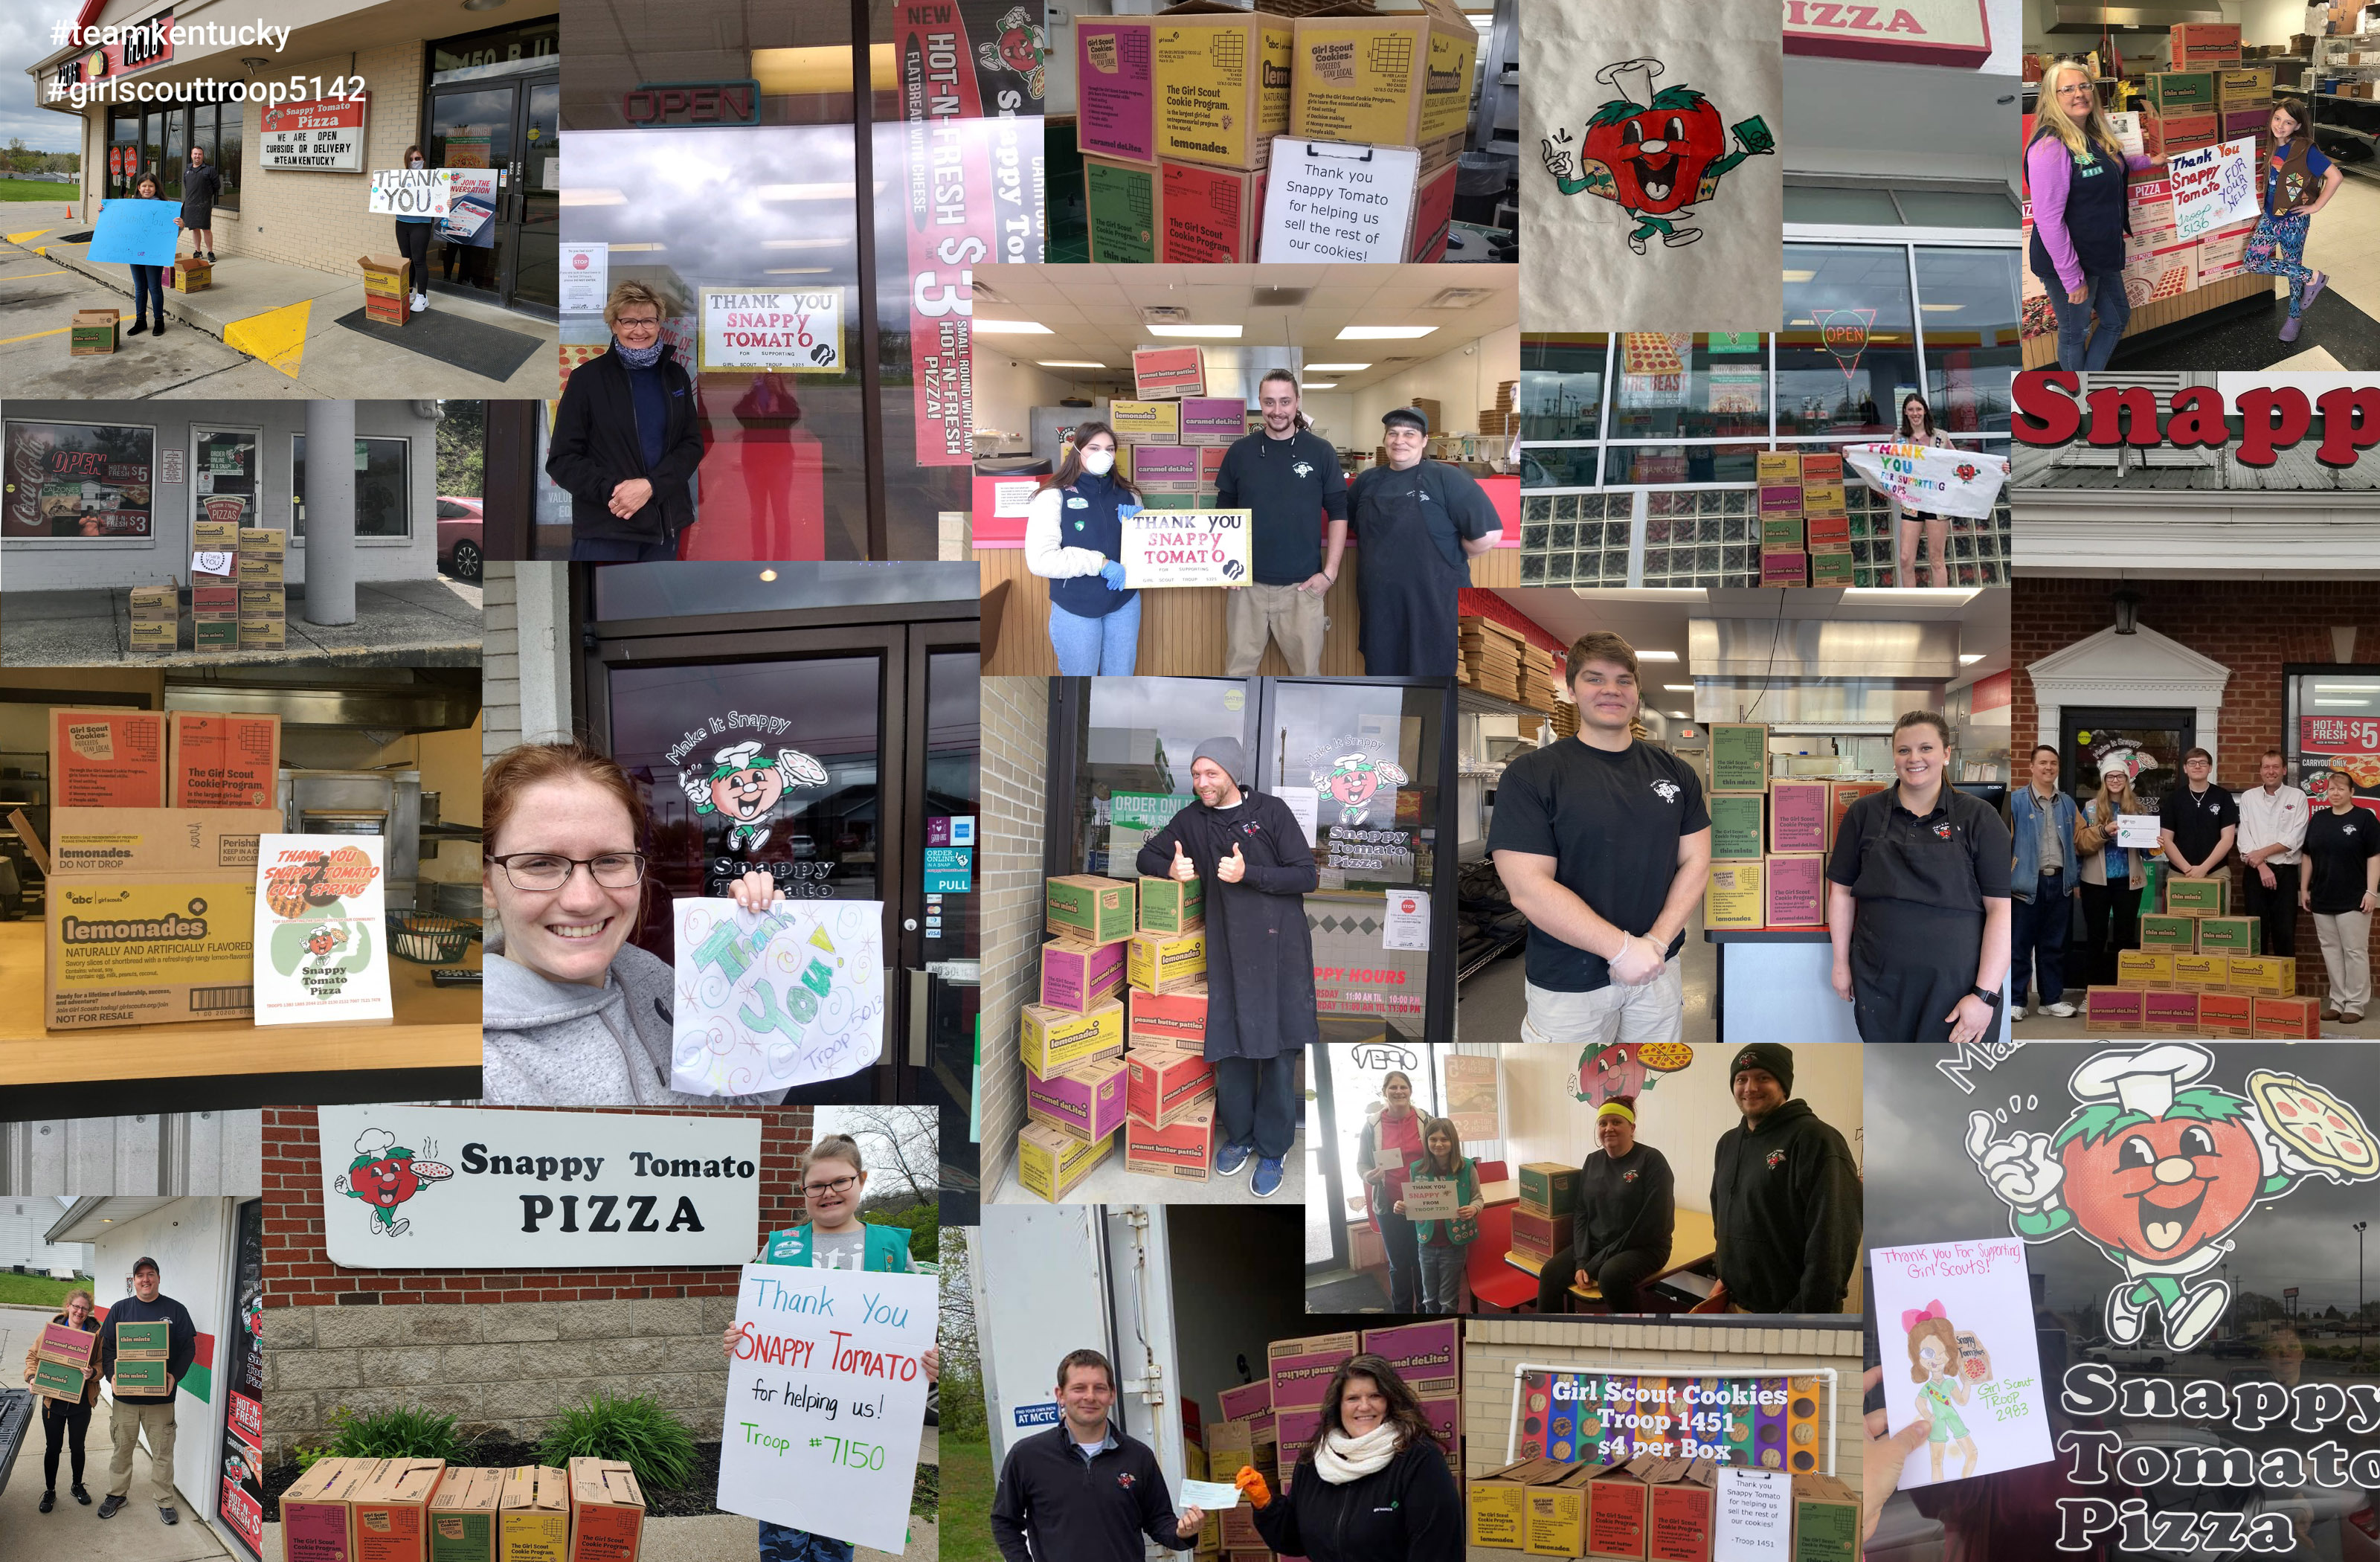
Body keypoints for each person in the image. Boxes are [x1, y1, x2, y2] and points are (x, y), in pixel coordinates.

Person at [481, 741, 791, 1105]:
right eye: (540, 864)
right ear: (488, 883)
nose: (584, 900)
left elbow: (746, 1105)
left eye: (611, 860)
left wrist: (752, 976)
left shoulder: (654, 979)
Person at [720, 1134, 940, 1562]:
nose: (829, 1193)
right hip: (787, 1426)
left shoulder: (891, 1249)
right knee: (782, 1535)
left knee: (836, 1540)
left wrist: (928, 1360)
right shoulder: (782, 1247)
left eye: (840, 1181)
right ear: (803, 1191)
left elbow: (916, 1331)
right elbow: (756, 1325)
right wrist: (737, 1338)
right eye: (816, 1186)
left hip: (854, 1433)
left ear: (861, 1180)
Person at [1488, 631, 1711, 1046]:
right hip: (1569, 981)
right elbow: (1528, 888)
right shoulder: (1532, 775)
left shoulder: (1675, 772)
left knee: (1648, 1084)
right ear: (1571, 690)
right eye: (1595, 678)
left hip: (1658, 969)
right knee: (1570, 1089)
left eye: (1624, 680)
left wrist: (1655, 945)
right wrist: (1623, 951)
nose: (1611, 690)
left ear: (1637, 694)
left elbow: (1696, 861)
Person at [1135, 736, 1319, 1198]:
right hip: (1227, 951)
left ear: (1232, 773)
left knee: (1278, 1052)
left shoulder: (1271, 813)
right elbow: (1146, 855)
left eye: (1211, 774)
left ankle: (1273, 1148)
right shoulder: (1191, 820)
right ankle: (1239, 1138)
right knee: (1232, 1048)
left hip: (1281, 952)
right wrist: (1169, 869)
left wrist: (1249, 874)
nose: (1202, 784)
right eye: (1196, 775)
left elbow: (1306, 875)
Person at [1826, 710, 2013, 1045]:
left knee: (1954, 1091)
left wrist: (1984, 996)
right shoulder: (1863, 813)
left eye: (1926, 748)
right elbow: (1841, 893)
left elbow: (2001, 910)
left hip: (1958, 990)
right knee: (1892, 1085)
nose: (1914, 759)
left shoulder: (1979, 817)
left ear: (1945, 753)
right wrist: (1840, 963)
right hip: (1880, 983)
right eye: (1904, 750)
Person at [1236, 1353, 1463, 1562]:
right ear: (1338, 1406)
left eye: (1375, 1395)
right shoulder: (1314, 1461)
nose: (1364, 1406)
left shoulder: (1418, 1459)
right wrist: (1266, 1505)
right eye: (1353, 1398)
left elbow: (1438, 1549)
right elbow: (1294, 1541)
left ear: (1391, 1402)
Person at [991, 1349, 1199, 1561]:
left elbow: (1158, 1520)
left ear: (1112, 1395)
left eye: (1099, 1388)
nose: (1090, 1396)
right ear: (1060, 1395)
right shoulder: (1027, 1456)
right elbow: (1004, 1521)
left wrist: (1182, 1533)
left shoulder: (1139, 1456)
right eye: (1079, 1388)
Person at [547, 280, 704, 562]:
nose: (639, 330)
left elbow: (691, 444)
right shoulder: (587, 380)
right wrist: (615, 491)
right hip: (607, 528)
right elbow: (563, 459)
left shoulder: (675, 376)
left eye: (648, 320)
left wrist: (650, 486)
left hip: (664, 526)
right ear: (614, 325)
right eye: (629, 321)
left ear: (659, 324)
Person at [2027, 60, 2165, 370]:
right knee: (2076, 334)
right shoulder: (2050, 146)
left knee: (2117, 319)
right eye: (2069, 89)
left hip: (2101, 253)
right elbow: (2049, 221)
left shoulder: (2089, 133)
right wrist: (2072, 279)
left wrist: (2149, 160)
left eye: (2085, 86)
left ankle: (2090, 386)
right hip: (2070, 261)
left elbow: (2110, 164)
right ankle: (2078, 401)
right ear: (2052, 97)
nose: (2079, 94)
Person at [1345, 408, 1501, 675]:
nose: (1399, 440)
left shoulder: (1447, 478)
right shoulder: (1367, 481)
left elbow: (1489, 535)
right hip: (1381, 602)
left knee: (1436, 677)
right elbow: (1350, 524)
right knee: (1384, 673)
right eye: (1392, 433)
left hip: (1436, 599)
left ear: (1424, 440)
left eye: (1409, 434)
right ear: (1385, 439)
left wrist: (1450, 554)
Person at [1707, 1044, 1861, 1314]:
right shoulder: (1728, 1143)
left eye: (1763, 1078)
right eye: (1741, 1079)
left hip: (1791, 1314)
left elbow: (1834, 1242)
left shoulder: (1817, 1140)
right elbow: (1721, 1215)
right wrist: (1724, 1274)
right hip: (1734, 1303)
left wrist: (1798, 1316)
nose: (1750, 1087)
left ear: (1784, 1086)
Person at [1215, 370, 1347, 675]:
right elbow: (1224, 509)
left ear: (1297, 402)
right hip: (1246, 587)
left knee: (1307, 677)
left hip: (1303, 588)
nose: (1277, 410)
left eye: (1285, 401)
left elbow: (1339, 511)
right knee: (1237, 675)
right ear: (1260, 403)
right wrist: (1222, 565)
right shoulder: (1240, 452)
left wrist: (1330, 573)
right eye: (1269, 402)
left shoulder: (1320, 452)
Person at [1533, 1096, 1673, 1315]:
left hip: (1645, 1246)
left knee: (1610, 1276)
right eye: (1603, 1123)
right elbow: (1582, 1212)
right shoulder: (1592, 1161)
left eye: (1617, 1122)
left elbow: (1651, 1225)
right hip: (1599, 1244)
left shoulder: (1652, 1161)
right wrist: (1582, 1260)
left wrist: (1596, 1263)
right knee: (1550, 1273)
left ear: (1632, 1127)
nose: (1609, 1128)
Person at [1023, 422, 1144, 675]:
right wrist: (1099, 563)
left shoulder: (1129, 494)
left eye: (1110, 449)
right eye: (1094, 447)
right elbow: (1041, 560)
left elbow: (1146, 554)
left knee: (1119, 682)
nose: (1104, 455)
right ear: (1077, 450)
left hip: (1124, 603)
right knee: (1081, 682)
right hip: (1076, 607)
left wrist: (1142, 526)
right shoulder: (1052, 496)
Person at [96, 1257, 195, 1524]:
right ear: (134, 1281)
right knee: (122, 1449)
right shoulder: (120, 1310)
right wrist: (112, 1375)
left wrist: (175, 1376)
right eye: (140, 1275)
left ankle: (164, 1501)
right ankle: (117, 1494)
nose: (145, 1280)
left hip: (160, 1400)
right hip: (125, 1399)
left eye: (150, 1274)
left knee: (163, 1452)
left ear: (158, 1278)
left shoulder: (175, 1310)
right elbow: (108, 1349)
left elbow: (188, 1348)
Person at [2244, 97, 2340, 342]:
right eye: (2277, 119)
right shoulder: (2271, 144)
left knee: (2291, 265)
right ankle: (2313, 277)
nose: (2280, 125)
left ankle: (2294, 318)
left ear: (2297, 126)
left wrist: (2317, 206)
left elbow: (2335, 177)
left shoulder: (2305, 149)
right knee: (2253, 262)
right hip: (2269, 218)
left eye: (2288, 122)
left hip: (2293, 221)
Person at [2298, 771, 2379, 1023]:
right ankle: (2338, 1001)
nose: (2335, 793)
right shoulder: (2319, 819)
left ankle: (2356, 1004)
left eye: (2341, 789)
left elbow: (2374, 857)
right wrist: (2304, 888)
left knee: (2354, 951)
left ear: (2352, 792)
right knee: (2331, 951)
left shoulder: (2365, 818)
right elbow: (2308, 855)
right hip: (2322, 896)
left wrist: (2372, 891)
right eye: (2331, 789)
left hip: (2354, 898)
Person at [2007, 745, 2079, 1022]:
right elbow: (2002, 843)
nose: (2048, 768)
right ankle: (2016, 1001)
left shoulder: (2068, 803)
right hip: (2025, 885)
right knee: (2019, 946)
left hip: (2060, 884)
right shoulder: (2015, 802)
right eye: (2043, 763)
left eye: (2053, 764)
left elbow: (2080, 839)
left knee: (2054, 947)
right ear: (2032, 767)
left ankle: (2051, 1000)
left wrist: (2104, 832)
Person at [1392, 1115, 1482, 1315]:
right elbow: (1414, 1202)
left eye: (1444, 1139)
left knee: (1448, 1300)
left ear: (1453, 1141)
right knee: (1429, 1298)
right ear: (1426, 1142)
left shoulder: (1466, 1167)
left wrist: (1474, 1209)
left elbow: (1478, 1198)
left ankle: (1448, 1335)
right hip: (1426, 1243)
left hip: (1454, 1244)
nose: (1439, 1144)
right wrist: (1402, 1206)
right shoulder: (1417, 1169)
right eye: (1433, 1139)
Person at [19, 1287, 100, 1513]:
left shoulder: (96, 1334)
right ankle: (50, 1490)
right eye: (76, 1306)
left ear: (88, 1311)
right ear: (68, 1306)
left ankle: (77, 1486)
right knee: (52, 1447)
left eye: (85, 1308)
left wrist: (92, 1372)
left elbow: (103, 1364)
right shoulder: (53, 1331)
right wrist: (32, 1376)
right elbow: (32, 1356)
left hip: (81, 1402)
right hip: (53, 1402)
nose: (80, 1311)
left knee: (77, 1447)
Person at [1354, 1072, 1426, 1311]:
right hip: (1388, 1205)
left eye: (1403, 1087)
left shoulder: (1426, 1120)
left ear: (1410, 1091)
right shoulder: (1372, 1125)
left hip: (1423, 1203)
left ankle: (1425, 1312)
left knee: (1422, 1261)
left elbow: (1440, 1155)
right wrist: (1368, 1176)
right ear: (1384, 1092)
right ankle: (1402, 1312)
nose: (1398, 1091)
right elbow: (1362, 1164)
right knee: (1399, 1265)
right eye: (1393, 1087)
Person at [2076, 753, 2147, 986]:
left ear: (2127, 780)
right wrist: (2076, 881)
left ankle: (2122, 989)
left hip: (2129, 881)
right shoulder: (2091, 809)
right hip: (2096, 882)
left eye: (2120, 776)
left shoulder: (2138, 809)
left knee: (2125, 937)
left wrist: (2154, 845)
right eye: (2110, 776)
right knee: (2096, 937)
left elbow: (2145, 854)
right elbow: (2081, 845)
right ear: (2104, 780)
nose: (2115, 780)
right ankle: (2093, 991)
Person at [2237, 748, 2308, 960]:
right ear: (2260, 771)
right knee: (2255, 934)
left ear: (2284, 770)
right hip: (2254, 873)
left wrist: (2262, 855)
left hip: (2285, 873)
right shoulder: (2249, 798)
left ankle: (2283, 988)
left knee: (2284, 933)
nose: (2271, 771)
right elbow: (2244, 838)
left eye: (2276, 767)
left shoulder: (2297, 797)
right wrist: (2261, 865)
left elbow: (2295, 838)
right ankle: (2259, 986)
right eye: (2266, 767)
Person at [1894, 394, 1957, 588]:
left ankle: (1941, 607)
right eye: (1911, 409)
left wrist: (1997, 468)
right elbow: (1883, 463)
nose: (1915, 413)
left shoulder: (1941, 437)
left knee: (1936, 559)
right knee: (1905, 559)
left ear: (1925, 411)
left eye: (1919, 409)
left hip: (1937, 504)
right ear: (1905, 412)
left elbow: (1960, 463)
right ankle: (1911, 605)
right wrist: (1853, 455)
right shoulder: (1898, 437)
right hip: (1912, 503)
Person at [2157, 747, 2238, 889]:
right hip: (2180, 873)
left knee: (2216, 912)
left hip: (2216, 872)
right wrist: (2187, 869)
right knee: (2179, 913)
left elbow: (2227, 839)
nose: (2198, 766)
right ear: (2185, 768)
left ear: (2210, 768)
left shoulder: (2223, 797)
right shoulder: (2174, 799)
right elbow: (2166, 839)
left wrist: (2204, 868)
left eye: (2203, 763)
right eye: (2192, 763)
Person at [123, 172, 170, 340]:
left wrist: (181, 225)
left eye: (151, 186)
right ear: (138, 188)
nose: (147, 189)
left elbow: (172, 232)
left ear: (156, 188)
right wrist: (104, 211)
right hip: (134, 252)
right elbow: (117, 223)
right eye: (144, 186)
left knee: (154, 287)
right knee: (140, 288)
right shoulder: (131, 205)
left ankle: (159, 321)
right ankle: (140, 320)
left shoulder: (164, 207)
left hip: (153, 253)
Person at [391, 144, 437, 315]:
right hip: (401, 222)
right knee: (407, 259)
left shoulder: (432, 179)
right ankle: (409, 291)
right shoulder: (399, 178)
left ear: (423, 159)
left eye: (417, 159)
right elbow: (389, 192)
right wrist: (377, 186)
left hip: (420, 224)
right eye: (411, 160)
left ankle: (422, 296)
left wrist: (446, 203)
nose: (414, 162)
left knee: (419, 260)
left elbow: (439, 199)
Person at [177, 143, 220, 268]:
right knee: (194, 229)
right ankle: (198, 251)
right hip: (190, 205)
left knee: (206, 229)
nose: (197, 156)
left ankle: (210, 252)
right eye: (195, 154)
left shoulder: (209, 170)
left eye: (200, 154)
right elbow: (187, 185)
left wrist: (206, 195)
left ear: (203, 156)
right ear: (191, 156)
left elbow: (217, 186)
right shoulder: (187, 170)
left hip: (204, 205)